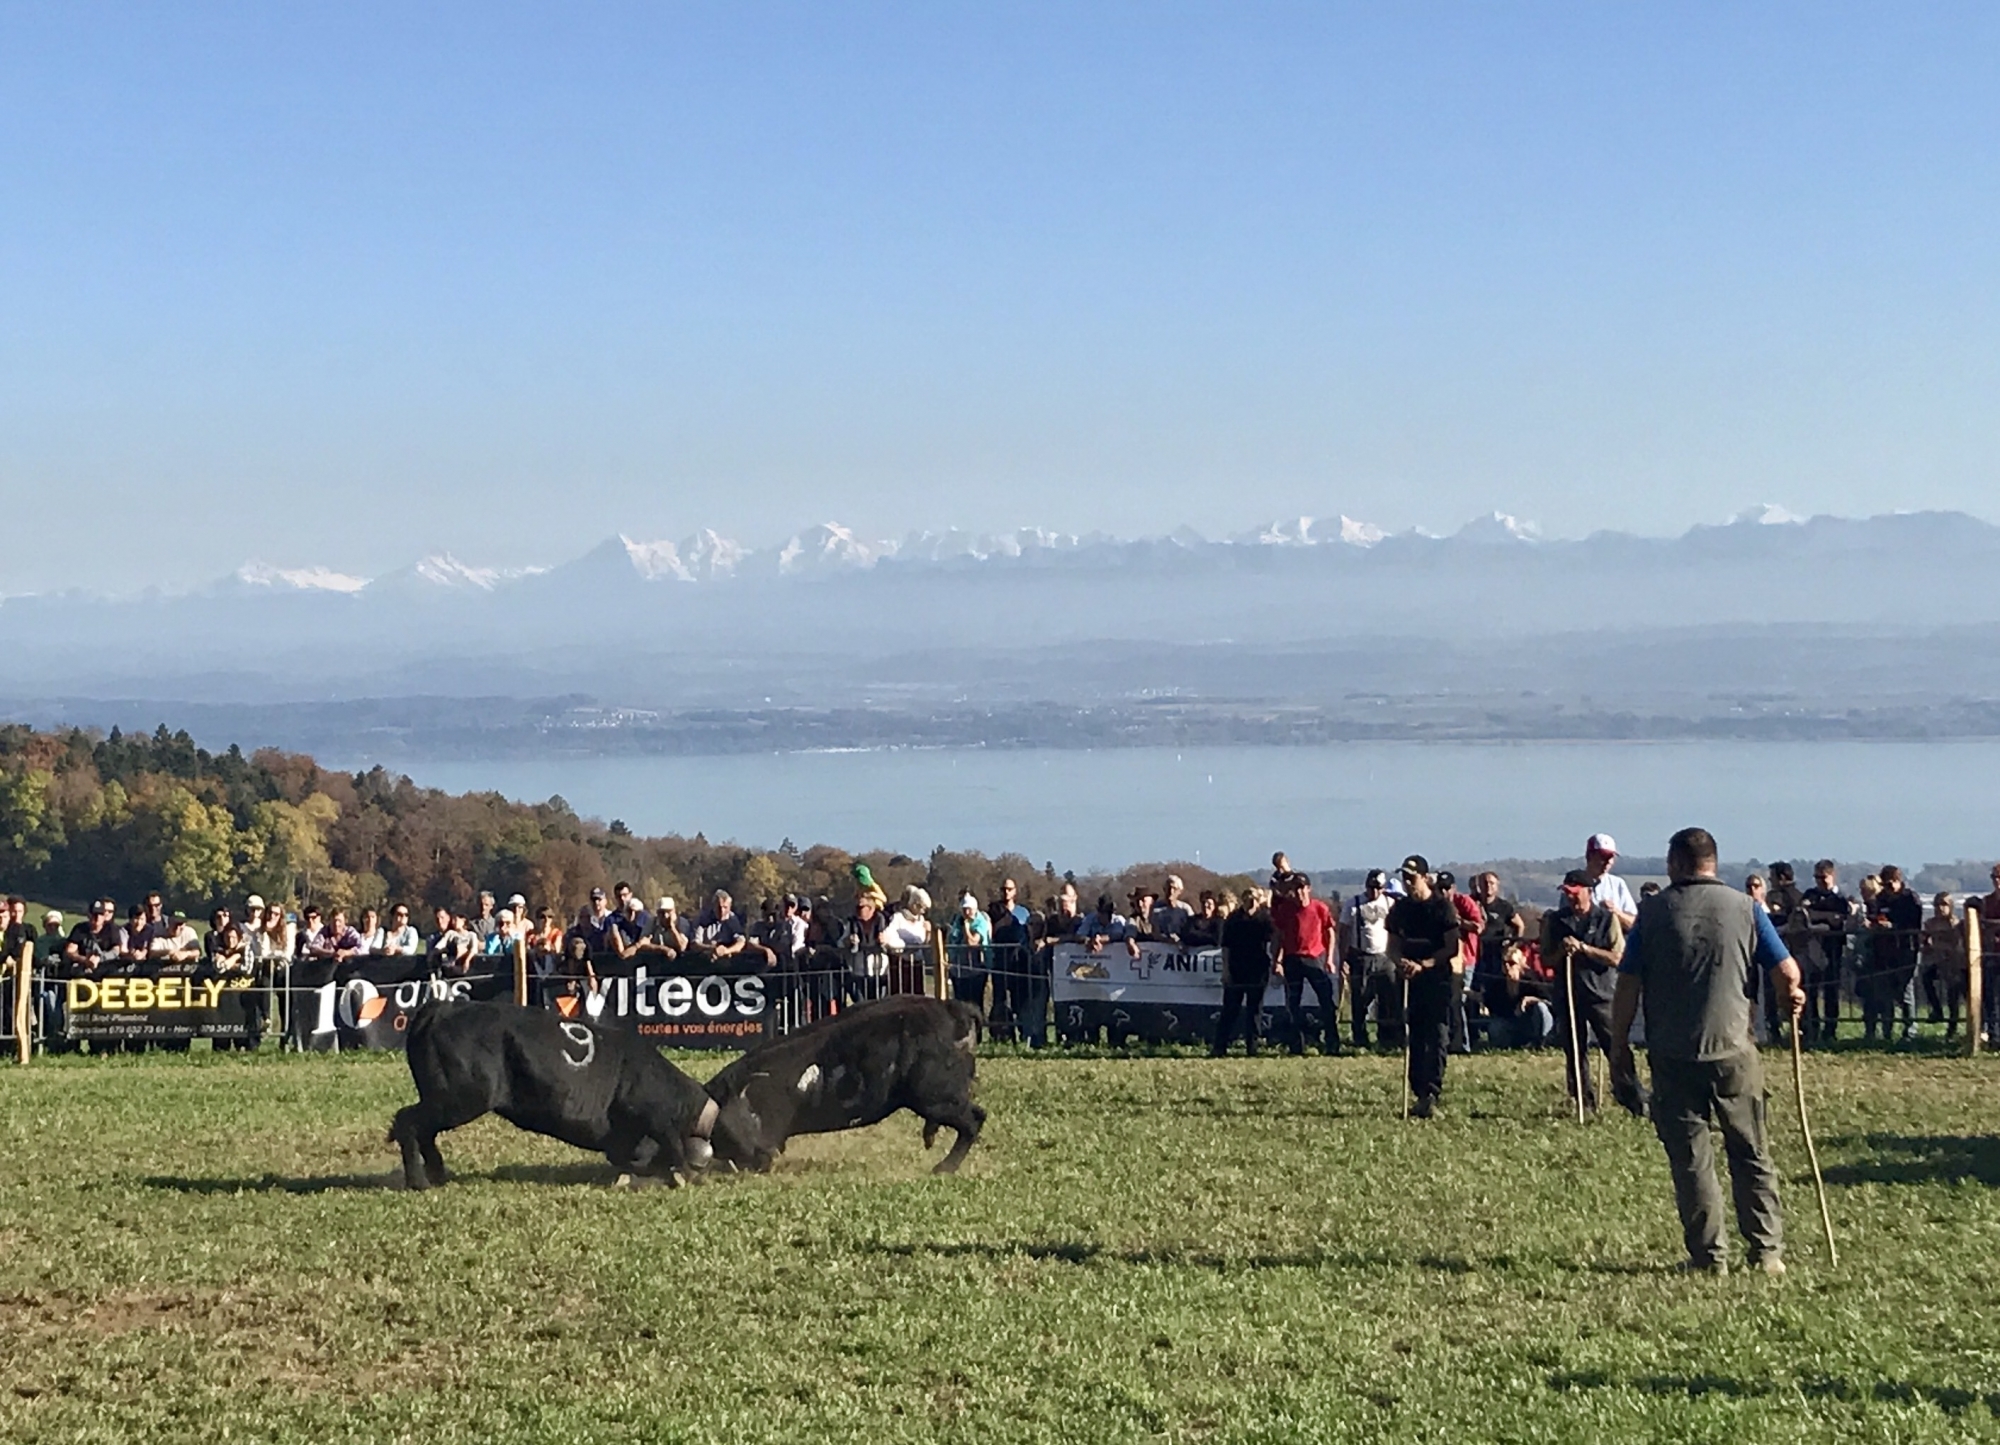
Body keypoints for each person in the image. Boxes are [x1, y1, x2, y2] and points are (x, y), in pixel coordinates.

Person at [1608, 826, 1803, 1275]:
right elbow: (1787, 972)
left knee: (1692, 1160)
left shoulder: (1653, 913)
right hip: (1733, 1049)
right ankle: (1767, 1251)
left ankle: (1709, 1256)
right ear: (1712, 863)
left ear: (1677, 863)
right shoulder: (1747, 909)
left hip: (1673, 1053)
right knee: (1751, 1150)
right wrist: (1792, 997)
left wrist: (1620, 1046)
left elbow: (1628, 985)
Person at [1543, 869, 1631, 1114]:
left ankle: (1631, 1097)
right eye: (1567, 893)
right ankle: (1583, 1101)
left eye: (1575, 893)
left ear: (1588, 892)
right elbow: (1547, 960)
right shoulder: (1555, 921)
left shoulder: (1606, 919)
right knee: (1574, 1051)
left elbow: (1617, 957)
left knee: (1615, 1047)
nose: (1571, 898)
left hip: (1601, 994)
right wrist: (1562, 951)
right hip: (1568, 994)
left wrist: (1584, 949)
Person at [1387, 855, 1460, 1118]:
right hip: (1409, 981)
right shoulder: (1400, 909)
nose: (1408, 883)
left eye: (1412, 877)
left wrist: (1425, 964)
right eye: (1404, 877)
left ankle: (1432, 1092)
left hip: (1437, 979)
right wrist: (1399, 962)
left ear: (1425, 878)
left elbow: (1451, 947)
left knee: (1438, 1036)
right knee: (1414, 1037)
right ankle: (1418, 1093)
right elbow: (1392, 945)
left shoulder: (1443, 908)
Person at [1269, 872, 1338, 1056]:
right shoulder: (1286, 909)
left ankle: (1332, 1043)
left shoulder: (1319, 908)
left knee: (1326, 1002)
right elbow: (1279, 936)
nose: (1298, 892)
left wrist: (1330, 959)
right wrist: (1277, 960)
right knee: (1293, 1004)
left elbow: (1330, 933)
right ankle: (1296, 1046)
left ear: (1308, 888)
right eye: (1295, 888)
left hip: (1314, 958)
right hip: (1292, 960)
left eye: (1301, 888)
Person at [1863, 865, 1923, 1045]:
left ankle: (1909, 1031)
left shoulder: (1910, 899)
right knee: (1885, 992)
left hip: (1906, 949)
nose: (1888, 889)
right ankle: (1886, 1031)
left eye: (1890, 885)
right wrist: (1874, 924)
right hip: (1884, 950)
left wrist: (1894, 926)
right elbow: (1874, 914)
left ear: (1898, 881)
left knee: (1905, 991)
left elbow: (1914, 923)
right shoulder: (1881, 898)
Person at [1212, 887, 1274, 1056]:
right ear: (1243, 899)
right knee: (1230, 1010)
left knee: (1255, 1011)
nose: (1251, 900)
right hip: (1236, 969)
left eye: (1254, 897)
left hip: (1258, 970)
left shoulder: (1265, 918)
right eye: (1248, 897)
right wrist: (1225, 972)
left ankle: (1251, 1048)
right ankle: (1220, 1047)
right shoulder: (1233, 919)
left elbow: (1274, 940)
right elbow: (1226, 947)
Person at [1342, 870, 1399, 1050]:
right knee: (1360, 999)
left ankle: (1388, 1038)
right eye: (1371, 887)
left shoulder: (1391, 904)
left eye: (1378, 888)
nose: (1374, 892)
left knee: (1389, 999)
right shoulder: (1353, 904)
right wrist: (1343, 957)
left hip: (1385, 957)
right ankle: (1360, 1037)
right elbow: (1343, 931)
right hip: (1361, 956)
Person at [1800, 861, 1851, 1044]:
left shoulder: (1841, 898)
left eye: (1823, 877)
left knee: (1831, 992)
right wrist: (1825, 916)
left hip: (1832, 950)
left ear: (1832, 876)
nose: (1820, 881)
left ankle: (1830, 1030)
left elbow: (1839, 920)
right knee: (1810, 991)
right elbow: (1804, 914)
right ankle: (1811, 1028)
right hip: (1812, 949)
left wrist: (1820, 916)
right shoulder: (1810, 895)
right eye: (1817, 877)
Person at [1437, 871, 1481, 1055]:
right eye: (1440, 888)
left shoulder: (1464, 902)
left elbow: (1478, 927)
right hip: (1442, 958)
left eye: (1447, 888)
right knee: (1444, 1001)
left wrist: (1459, 922)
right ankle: (1446, 1040)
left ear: (1453, 888)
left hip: (1465, 959)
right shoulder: (1436, 905)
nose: (1444, 892)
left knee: (1459, 1001)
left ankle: (1463, 1044)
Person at [987, 879, 1033, 1038]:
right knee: (999, 1000)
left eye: (1010, 889)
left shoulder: (1024, 913)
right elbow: (988, 934)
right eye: (1004, 889)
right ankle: (1001, 1034)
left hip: (1018, 963)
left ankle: (1022, 1032)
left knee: (1018, 1001)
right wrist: (1000, 924)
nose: (1006, 892)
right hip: (1000, 962)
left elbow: (1029, 935)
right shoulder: (994, 910)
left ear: (1015, 891)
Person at [1920, 892, 1968, 1041]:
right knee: (1926, 978)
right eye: (1937, 904)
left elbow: (1955, 944)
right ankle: (1936, 1009)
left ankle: (1954, 1028)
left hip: (1955, 964)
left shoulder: (1955, 923)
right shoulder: (1930, 923)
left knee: (1953, 996)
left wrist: (1938, 944)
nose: (1940, 908)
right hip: (1937, 962)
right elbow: (1924, 942)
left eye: (1944, 904)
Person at [881, 886, 933, 994]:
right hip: (901, 963)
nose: (923, 911)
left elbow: (924, 943)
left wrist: (928, 932)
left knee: (918, 994)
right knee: (901, 993)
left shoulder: (921, 920)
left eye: (924, 909)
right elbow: (889, 935)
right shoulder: (898, 917)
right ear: (914, 904)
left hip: (917, 963)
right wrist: (902, 947)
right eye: (921, 907)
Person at [946, 893, 993, 1010]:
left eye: (969, 910)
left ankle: (976, 1027)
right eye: (964, 910)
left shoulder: (981, 922)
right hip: (958, 971)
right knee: (959, 1005)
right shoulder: (957, 921)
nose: (967, 913)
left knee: (974, 1005)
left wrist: (966, 928)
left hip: (976, 971)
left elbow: (972, 942)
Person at [1584, 834, 1638, 930]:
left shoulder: (1618, 884)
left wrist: (1615, 912)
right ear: (1590, 856)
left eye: (1611, 857)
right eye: (1603, 857)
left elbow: (1633, 924)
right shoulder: (1574, 884)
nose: (1608, 861)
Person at [1151, 876, 1194, 943]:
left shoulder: (1185, 909)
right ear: (1164, 889)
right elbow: (1154, 932)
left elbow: (1192, 930)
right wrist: (1167, 940)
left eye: (1174, 889)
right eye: (1169, 888)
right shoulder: (1155, 908)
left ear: (1180, 891)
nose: (1171, 891)